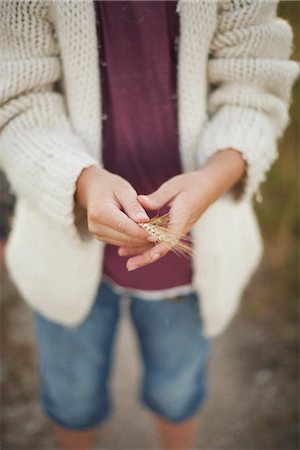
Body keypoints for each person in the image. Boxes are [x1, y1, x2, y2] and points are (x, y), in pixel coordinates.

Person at [0, 1, 298, 449]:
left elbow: (253, 91)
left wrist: (211, 178)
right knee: (72, 394)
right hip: (60, 241)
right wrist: (81, 183)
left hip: (191, 257)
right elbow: (17, 100)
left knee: (176, 390)